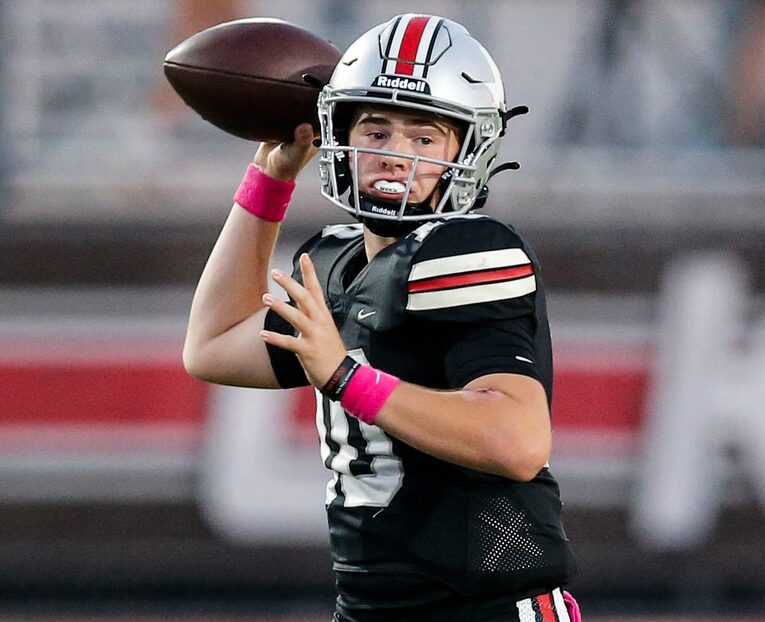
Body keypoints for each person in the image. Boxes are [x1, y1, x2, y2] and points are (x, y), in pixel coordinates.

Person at [183, 13, 579, 622]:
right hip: (374, 609)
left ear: (468, 149)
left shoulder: (466, 251)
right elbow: (210, 346)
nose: (396, 156)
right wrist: (268, 181)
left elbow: (518, 441)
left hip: (486, 608)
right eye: (377, 131)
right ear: (339, 134)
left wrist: (345, 377)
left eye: (424, 139)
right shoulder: (338, 259)